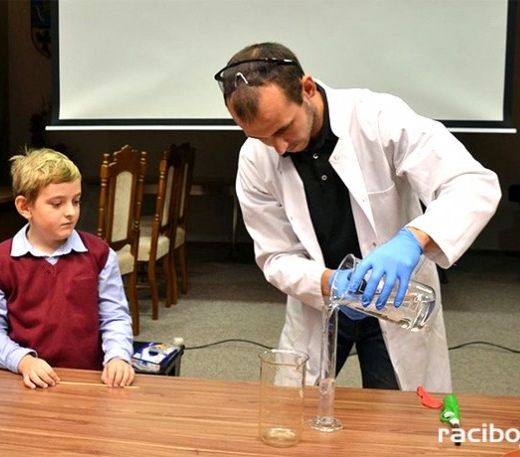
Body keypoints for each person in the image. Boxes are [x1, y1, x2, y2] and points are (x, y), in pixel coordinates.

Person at [214, 43, 501, 392]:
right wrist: (329, 283)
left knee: (395, 417)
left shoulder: (377, 118)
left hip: (397, 300)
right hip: (320, 299)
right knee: (297, 414)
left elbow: (471, 182)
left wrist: (412, 240)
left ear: (306, 89)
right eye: (261, 137)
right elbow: (275, 256)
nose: (279, 148)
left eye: (283, 129)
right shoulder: (256, 157)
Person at [0, 148, 135, 389]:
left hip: (89, 381)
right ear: (25, 207)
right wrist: (23, 361)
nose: (71, 212)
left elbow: (115, 317)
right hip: (28, 382)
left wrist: (118, 356)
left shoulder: (100, 256)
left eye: (76, 201)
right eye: (57, 204)